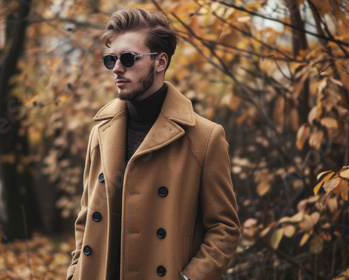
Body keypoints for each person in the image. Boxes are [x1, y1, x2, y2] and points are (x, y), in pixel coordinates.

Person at [66, 8, 240, 280]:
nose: (117, 69)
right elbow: (86, 218)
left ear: (160, 62)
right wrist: (75, 272)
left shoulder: (205, 138)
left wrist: (187, 278)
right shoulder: (100, 131)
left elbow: (224, 228)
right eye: (111, 59)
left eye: (128, 58)